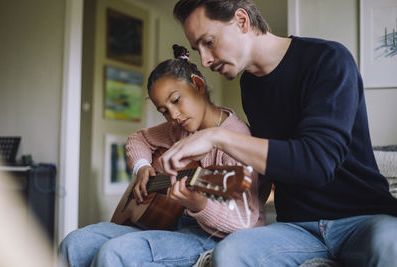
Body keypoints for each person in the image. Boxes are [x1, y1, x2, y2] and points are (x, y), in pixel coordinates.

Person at [156, 0, 397, 266]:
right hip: (297, 227)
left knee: (392, 242)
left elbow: (316, 163)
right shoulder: (250, 84)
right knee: (231, 252)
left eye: (209, 42)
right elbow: (269, 164)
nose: (205, 60)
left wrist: (217, 137)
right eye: (197, 49)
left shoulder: (328, 59)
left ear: (242, 20)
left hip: (363, 219)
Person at [58, 44, 269, 267]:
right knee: (74, 242)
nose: (174, 115)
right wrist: (141, 169)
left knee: (117, 253)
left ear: (198, 86)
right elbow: (138, 139)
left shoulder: (236, 138)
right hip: (169, 222)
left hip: (212, 236)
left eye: (176, 100)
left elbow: (244, 219)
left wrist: (200, 204)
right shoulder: (179, 129)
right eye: (164, 111)